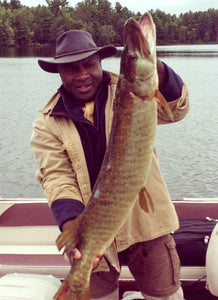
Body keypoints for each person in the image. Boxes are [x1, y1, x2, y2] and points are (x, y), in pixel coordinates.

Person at [31, 29, 189, 300]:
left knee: (166, 296)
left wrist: (156, 71)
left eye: (89, 65)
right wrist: (73, 226)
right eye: (71, 68)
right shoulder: (47, 122)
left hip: (147, 223)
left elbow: (176, 110)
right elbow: (56, 177)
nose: (82, 75)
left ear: (100, 63)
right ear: (59, 72)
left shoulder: (128, 92)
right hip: (93, 226)